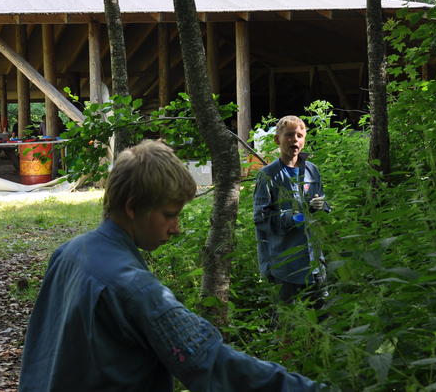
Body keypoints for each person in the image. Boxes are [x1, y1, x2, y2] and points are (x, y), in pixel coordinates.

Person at [18, 139, 323, 391]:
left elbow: (40, 352)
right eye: (169, 214)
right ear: (132, 207)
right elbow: (210, 363)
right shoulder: (134, 288)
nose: (176, 228)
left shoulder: (70, 252)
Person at [253, 116, 331, 304]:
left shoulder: (312, 170)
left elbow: (320, 203)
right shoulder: (268, 175)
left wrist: (323, 206)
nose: (294, 139)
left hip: (314, 262)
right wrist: (295, 218)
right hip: (285, 263)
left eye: (299, 135)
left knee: (321, 317)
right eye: (289, 135)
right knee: (288, 321)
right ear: (277, 139)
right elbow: (261, 218)